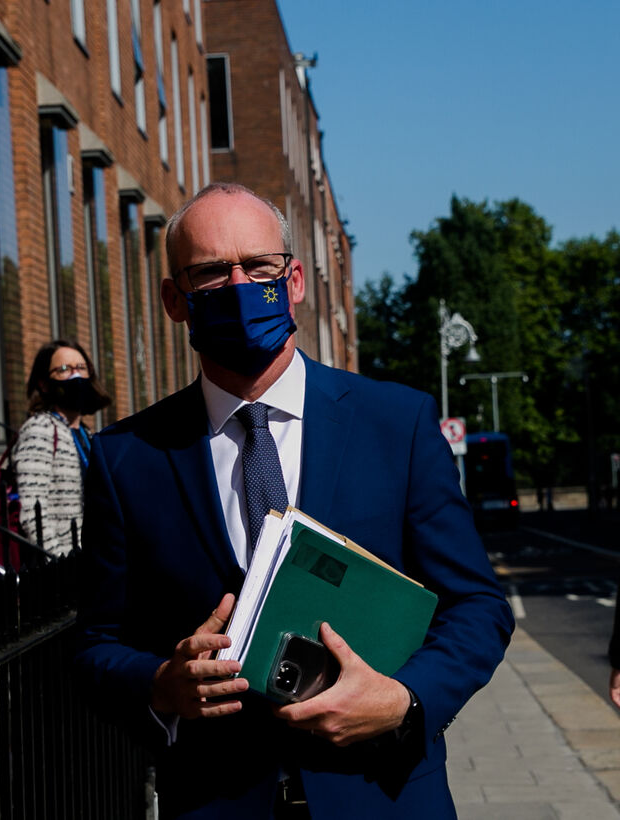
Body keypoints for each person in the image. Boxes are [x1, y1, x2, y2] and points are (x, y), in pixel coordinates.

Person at [74, 182, 514, 818]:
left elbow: (477, 605)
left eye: (258, 267)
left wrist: (404, 700)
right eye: (210, 273)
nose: (239, 286)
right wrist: (162, 686)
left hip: (385, 795)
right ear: (175, 299)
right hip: (216, 800)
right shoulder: (127, 457)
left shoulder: (398, 424)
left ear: (295, 279)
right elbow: (95, 645)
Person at [12, 340, 110, 556]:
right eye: (64, 369)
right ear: (44, 384)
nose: (75, 376)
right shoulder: (41, 428)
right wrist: (61, 564)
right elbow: (33, 512)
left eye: (81, 368)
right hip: (64, 568)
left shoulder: (87, 434)